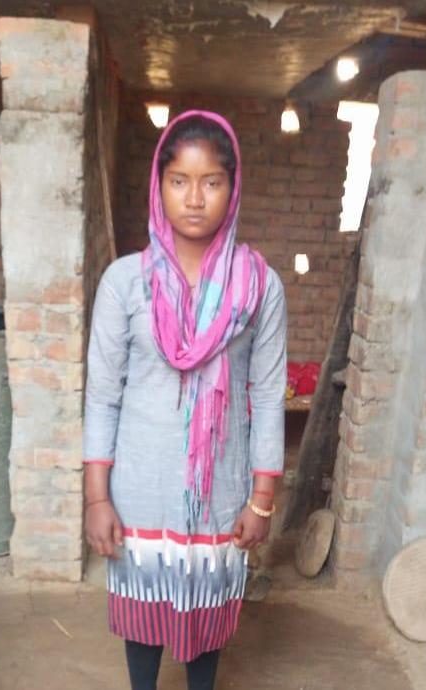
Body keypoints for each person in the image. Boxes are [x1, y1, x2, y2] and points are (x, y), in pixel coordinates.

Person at [82, 110, 287, 690]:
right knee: (142, 614)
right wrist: (96, 498)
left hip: (220, 488)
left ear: (232, 187)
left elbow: (268, 395)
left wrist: (261, 501)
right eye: (179, 181)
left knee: (208, 614)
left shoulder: (259, 286)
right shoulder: (125, 282)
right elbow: (102, 396)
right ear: (160, 185)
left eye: (211, 181)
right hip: (139, 487)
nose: (194, 198)